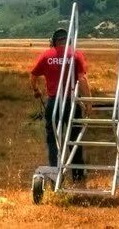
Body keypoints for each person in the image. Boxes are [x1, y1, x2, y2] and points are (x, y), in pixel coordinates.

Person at [28, 28, 90, 179]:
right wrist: (88, 101)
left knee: (52, 138)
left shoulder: (46, 55)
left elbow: (33, 75)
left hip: (54, 102)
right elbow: (82, 79)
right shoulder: (75, 55)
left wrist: (36, 90)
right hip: (71, 101)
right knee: (74, 138)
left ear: (54, 41)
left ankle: (55, 173)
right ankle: (78, 173)